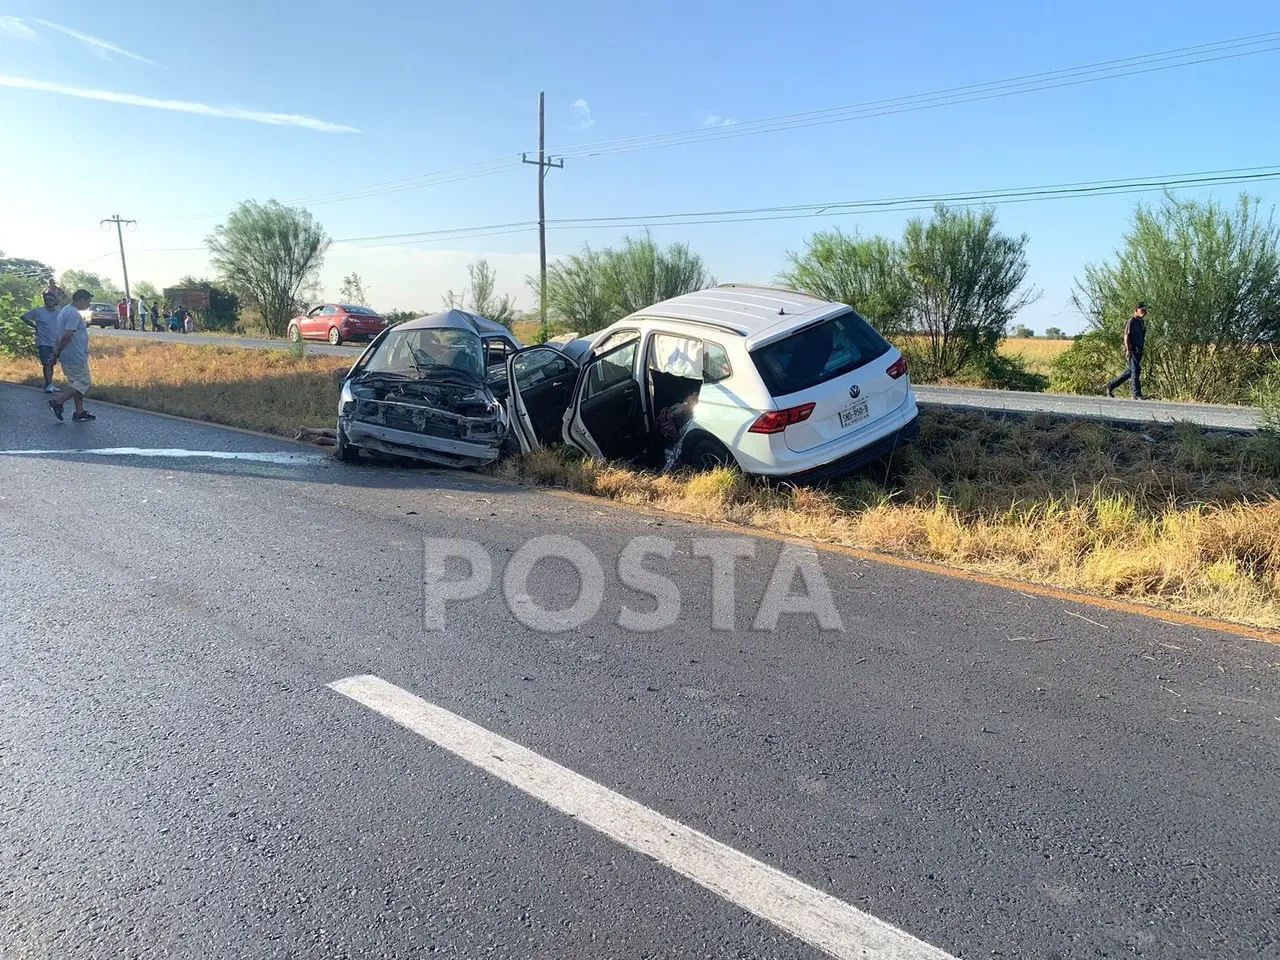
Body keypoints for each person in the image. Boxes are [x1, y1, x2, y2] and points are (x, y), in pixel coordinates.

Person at [48, 289, 96, 422]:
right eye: (88, 301)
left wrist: (56, 351)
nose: (88, 304)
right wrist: (58, 351)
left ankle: (79, 412)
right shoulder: (73, 314)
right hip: (75, 354)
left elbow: (58, 334)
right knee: (83, 382)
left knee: (76, 383)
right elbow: (67, 335)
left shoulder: (64, 311)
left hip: (68, 354)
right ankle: (58, 403)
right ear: (81, 299)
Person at [22, 289, 64, 393]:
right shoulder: (38, 311)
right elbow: (24, 317)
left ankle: (50, 383)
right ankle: (49, 384)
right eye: (46, 300)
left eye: (51, 300)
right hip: (43, 342)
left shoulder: (60, 313)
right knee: (47, 363)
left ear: (55, 301)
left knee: (52, 364)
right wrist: (35, 327)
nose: (48, 301)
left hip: (55, 342)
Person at [1106, 301, 1147, 399]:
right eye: (1142, 309)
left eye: (1145, 310)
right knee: (1136, 371)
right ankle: (1136, 394)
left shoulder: (1141, 322)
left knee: (1131, 371)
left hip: (1139, 350)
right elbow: (1126, 336)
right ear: (1136, 310)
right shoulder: (1131, 321)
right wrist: (1128, 349)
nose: (1144, 312)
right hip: (1133, 350)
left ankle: (1111, 385)